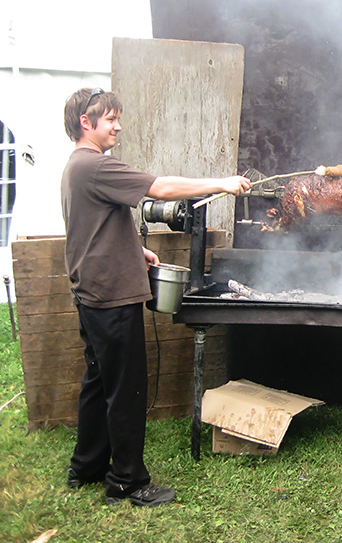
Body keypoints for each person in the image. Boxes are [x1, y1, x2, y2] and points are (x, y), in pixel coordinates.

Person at [61, 87, 251, 506]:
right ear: (85, 124)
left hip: (92, 292)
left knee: (98, 382)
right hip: (111, 296)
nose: (118, 125)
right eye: (110, 119)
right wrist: (220, 181)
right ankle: (127, 481)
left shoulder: (76, 168)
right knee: (127, 388)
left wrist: (136, 249)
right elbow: (160, 188)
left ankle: (86, 467)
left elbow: (92, 226)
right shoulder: (94, 165)